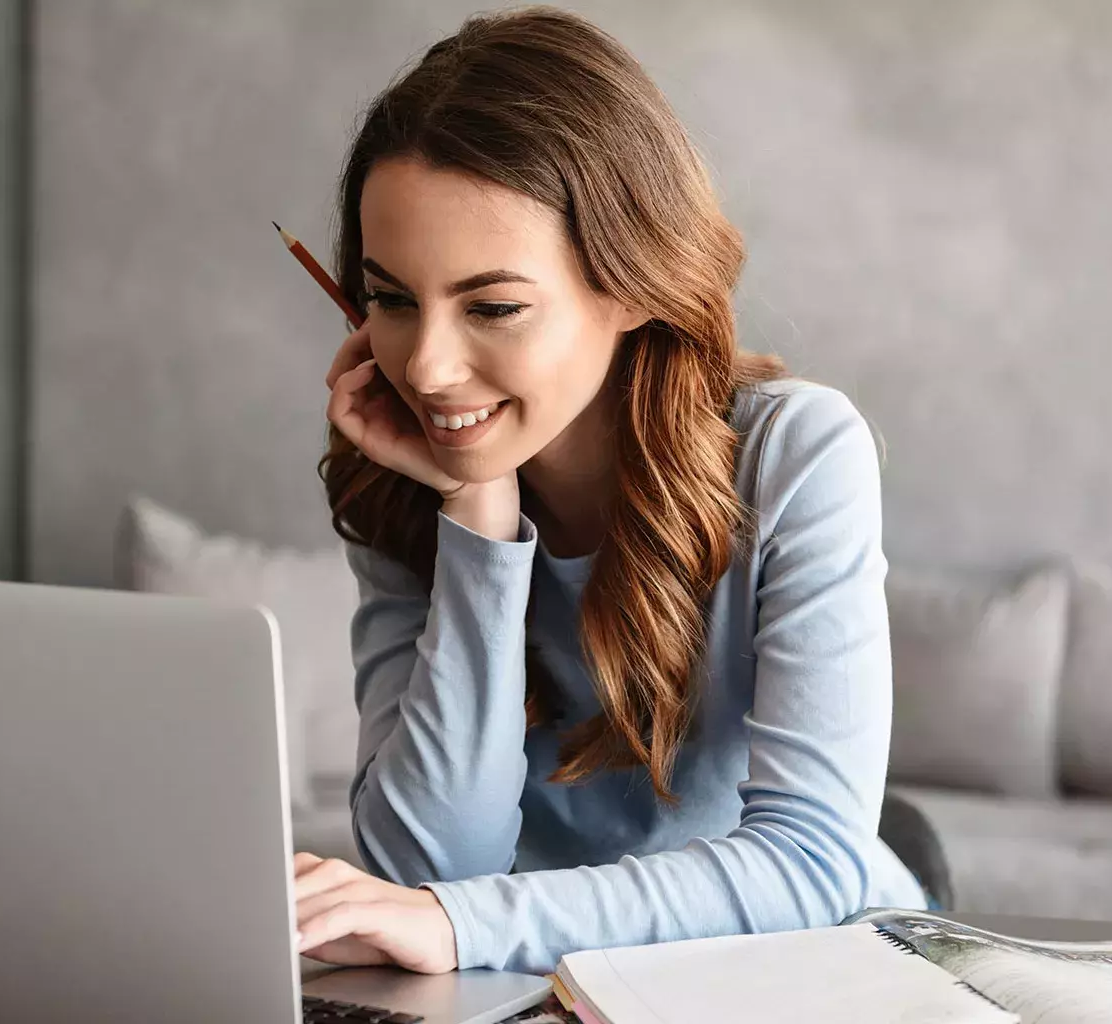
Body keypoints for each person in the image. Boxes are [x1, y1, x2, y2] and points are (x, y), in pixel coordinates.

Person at [290, 4, 930, 979]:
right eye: (390, 299)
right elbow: (431, 866)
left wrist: (465, 925)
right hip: (538, 983)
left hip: (785, 971)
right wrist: (479, 518)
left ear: (630, 283)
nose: (426, 367)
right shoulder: (402, 473)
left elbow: (812, 861)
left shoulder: (796, 452)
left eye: (493, 305)